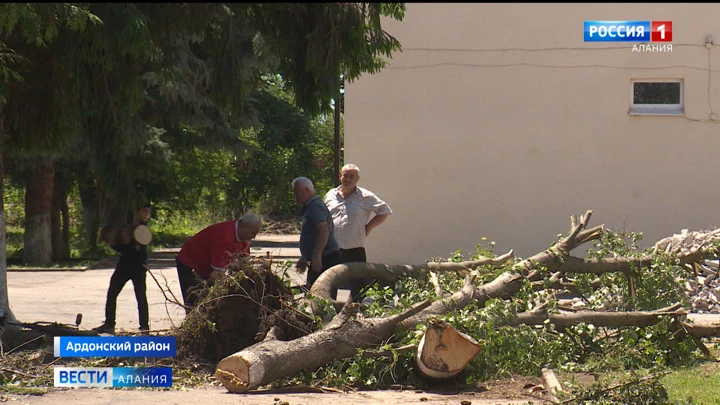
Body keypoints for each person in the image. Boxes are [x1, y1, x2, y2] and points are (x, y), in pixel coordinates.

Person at [324, 164, 393, 301]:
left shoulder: (365, 196)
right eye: (345, 175)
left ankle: (354, 315)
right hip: (332, 248)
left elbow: (385, 210)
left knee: (358, 287)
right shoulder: (330, 195)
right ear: (340, 176)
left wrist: (368, 227)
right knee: (330, 284)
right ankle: (328, 314)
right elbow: (323, 216)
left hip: (354, 248)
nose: (348, 179)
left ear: (357, 179)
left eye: (352, 177)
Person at [175, 213, 263, 309]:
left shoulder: (244, 241)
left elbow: (245, 266)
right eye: (253, 233)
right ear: (243, 226)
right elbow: (217, 274)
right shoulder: (224, 235)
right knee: (196, 301)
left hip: (206, 267)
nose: (254, 237)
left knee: (209, 300)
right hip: (189, 262)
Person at [93, 203, 152, 334]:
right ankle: (109, 324)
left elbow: (137, 250)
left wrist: (126, 244)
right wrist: (114, 244)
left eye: (148, 212)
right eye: (144, 211)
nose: (146, 214)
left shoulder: (143, 228)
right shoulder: (127, 225)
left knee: (141, 296)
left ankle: (144, 327)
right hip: (125, 265)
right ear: (136, 211)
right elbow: (122, 248)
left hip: (138, 265)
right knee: (112, 293)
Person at [292, 176, 341, 299]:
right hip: (320, 257)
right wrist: (306, 257)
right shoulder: (309, 207)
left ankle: (326, 318)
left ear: (307, 190)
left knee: (321, 296)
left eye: (297, 192)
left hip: (327, 258)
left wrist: (316, 256)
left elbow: (323, 231)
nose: (295, 195)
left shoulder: (315, 206)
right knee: (312, 293)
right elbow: (312, 235)